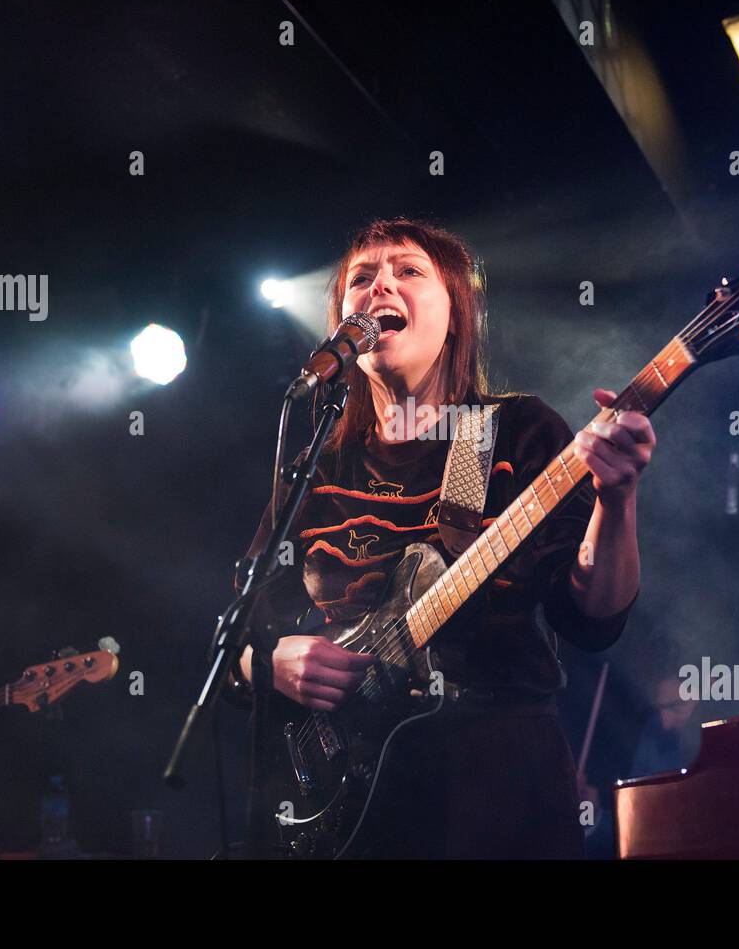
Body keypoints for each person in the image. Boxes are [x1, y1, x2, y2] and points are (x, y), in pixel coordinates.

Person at [228, 217, 655, 858]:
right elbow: (238, 634)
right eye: (361, 278)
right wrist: (270, 664)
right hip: (353, 800)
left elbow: (592, 621)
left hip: (497, 790)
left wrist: (616, 502)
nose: (379, 288)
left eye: (408, 271)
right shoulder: (319, 462)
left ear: (455, 312)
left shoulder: (517, 433)